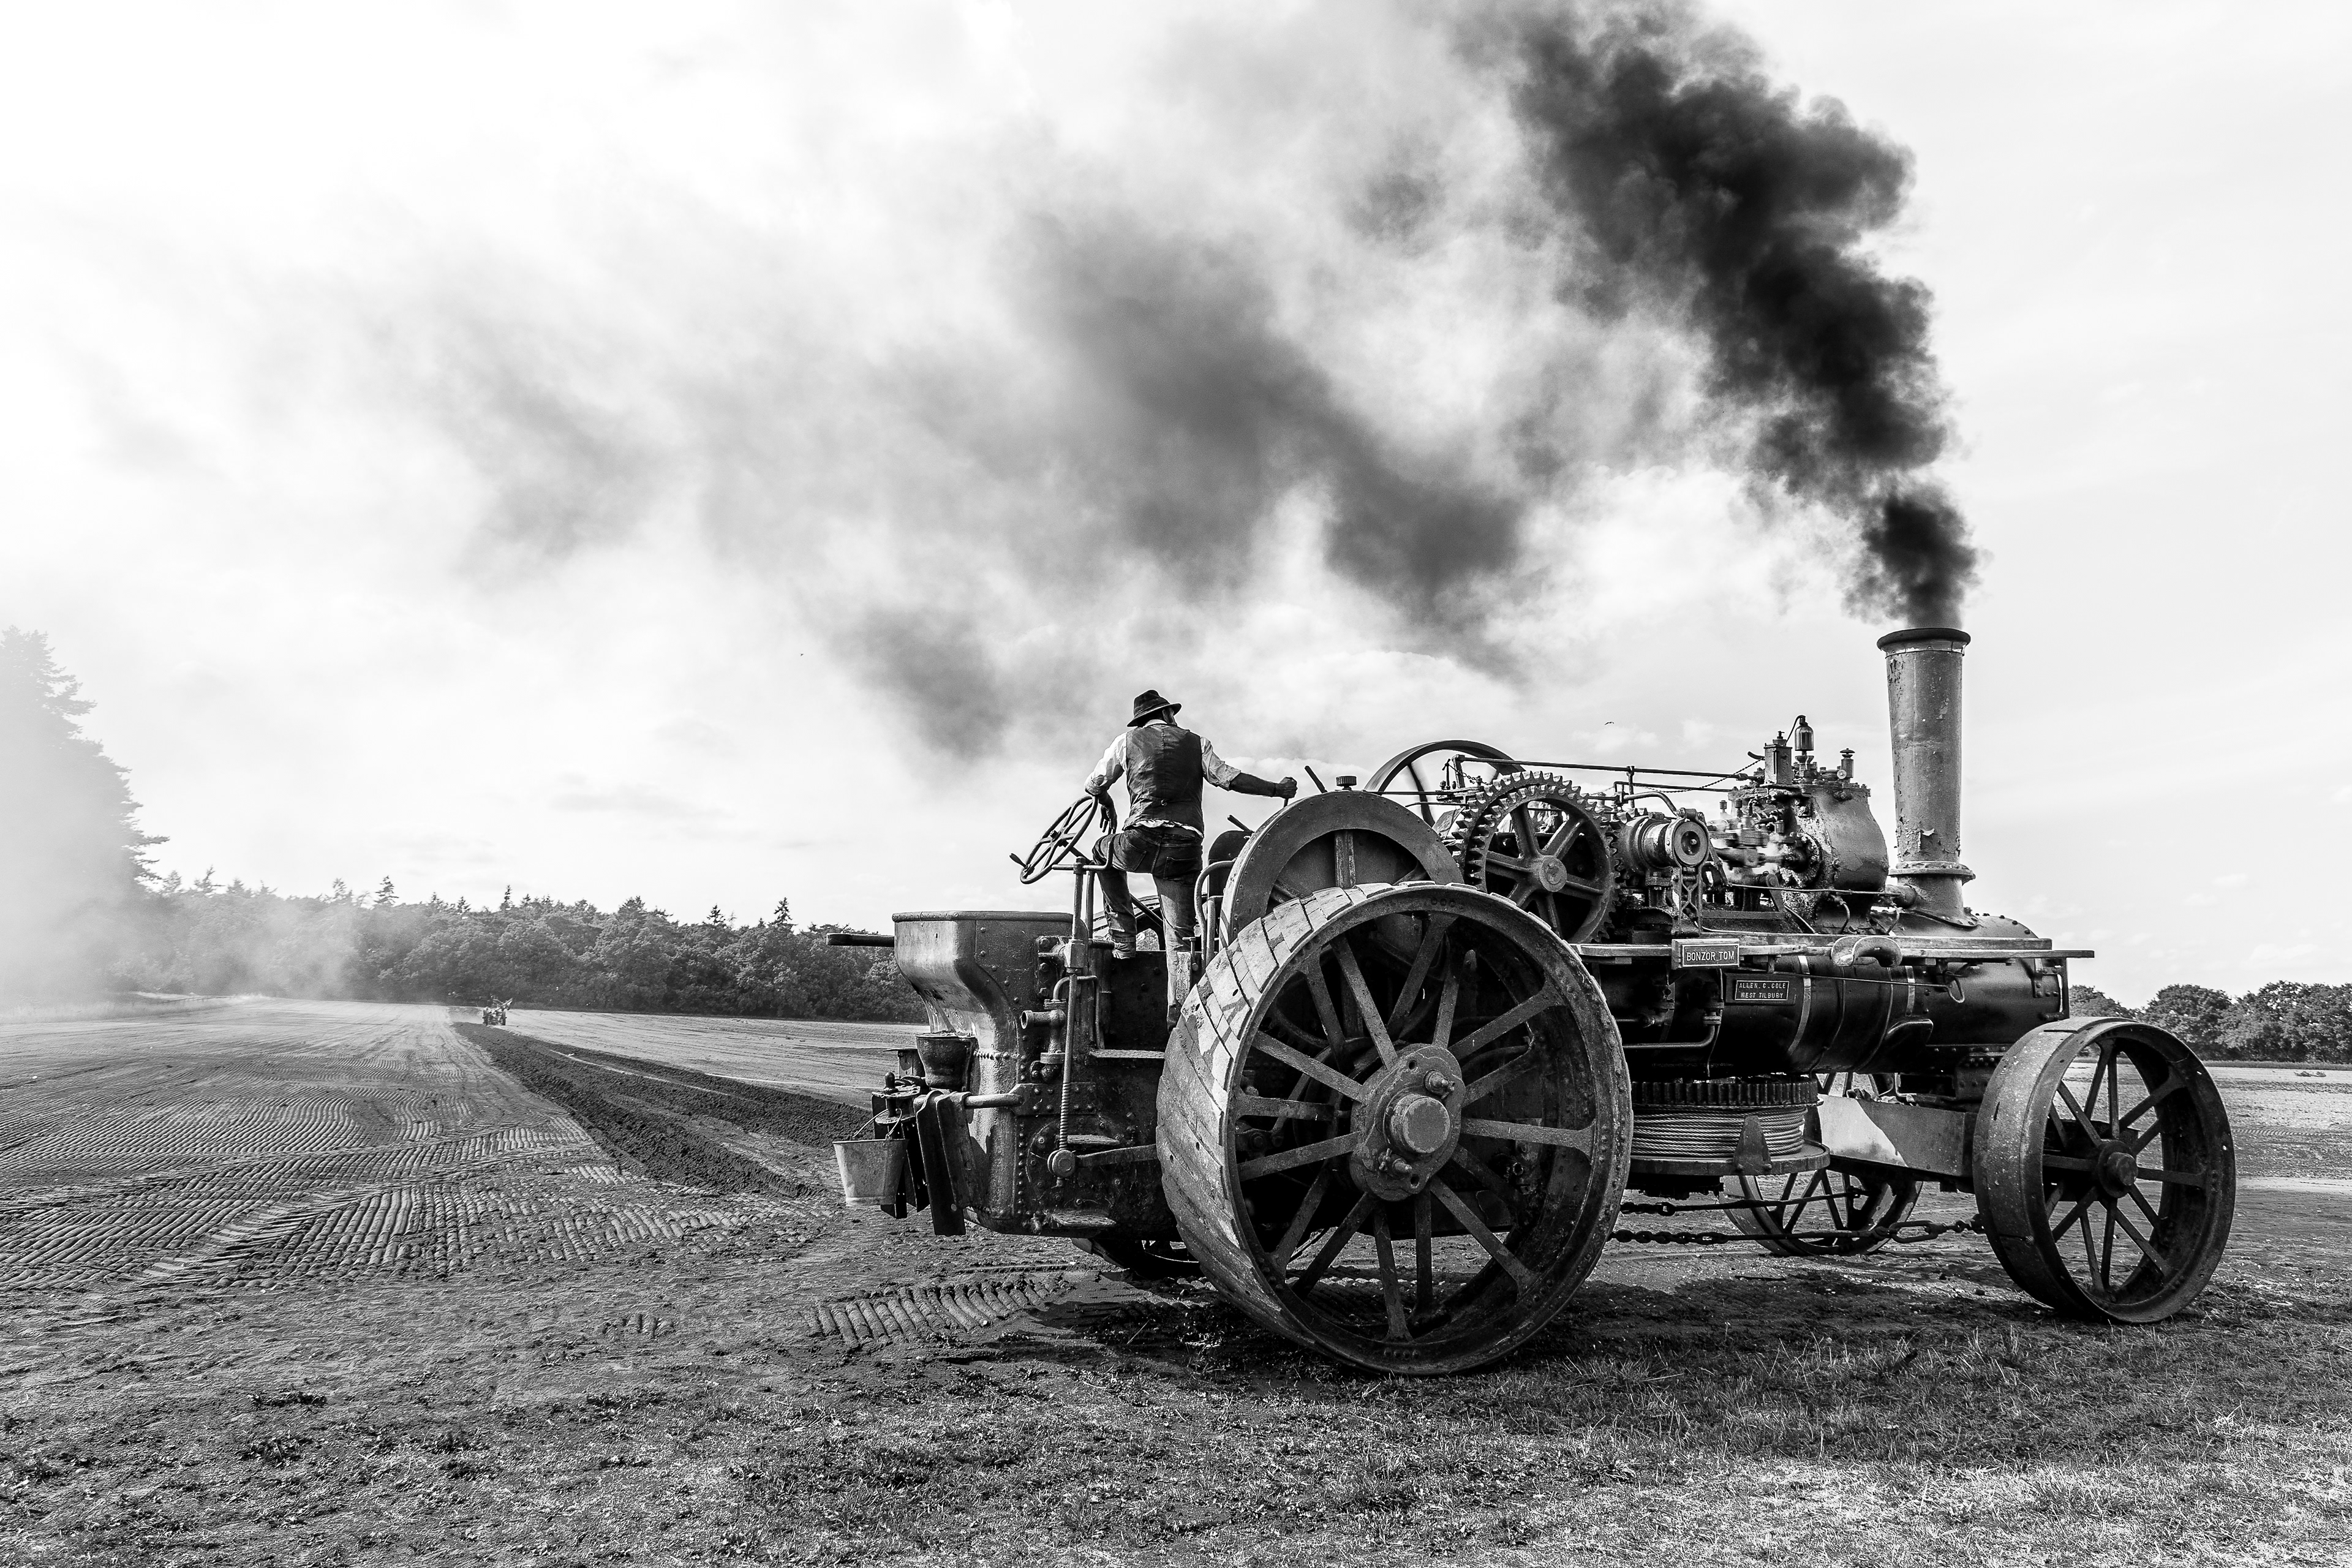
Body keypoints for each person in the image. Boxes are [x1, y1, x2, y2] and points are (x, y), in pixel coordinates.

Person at [1085, 689, 1296, 959]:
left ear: (1142, 722)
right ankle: (1182, 999)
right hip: (1184, 848)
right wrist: (1277, 789)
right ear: (1166, 713)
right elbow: (1231, 779)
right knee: (1180, 941)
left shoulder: (1125, 742)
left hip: (1140, 841)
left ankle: (1124, 940)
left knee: (1101, 852)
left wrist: (1105, 800)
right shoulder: (1197, 744)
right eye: (1173, 714)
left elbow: (1093, 784)